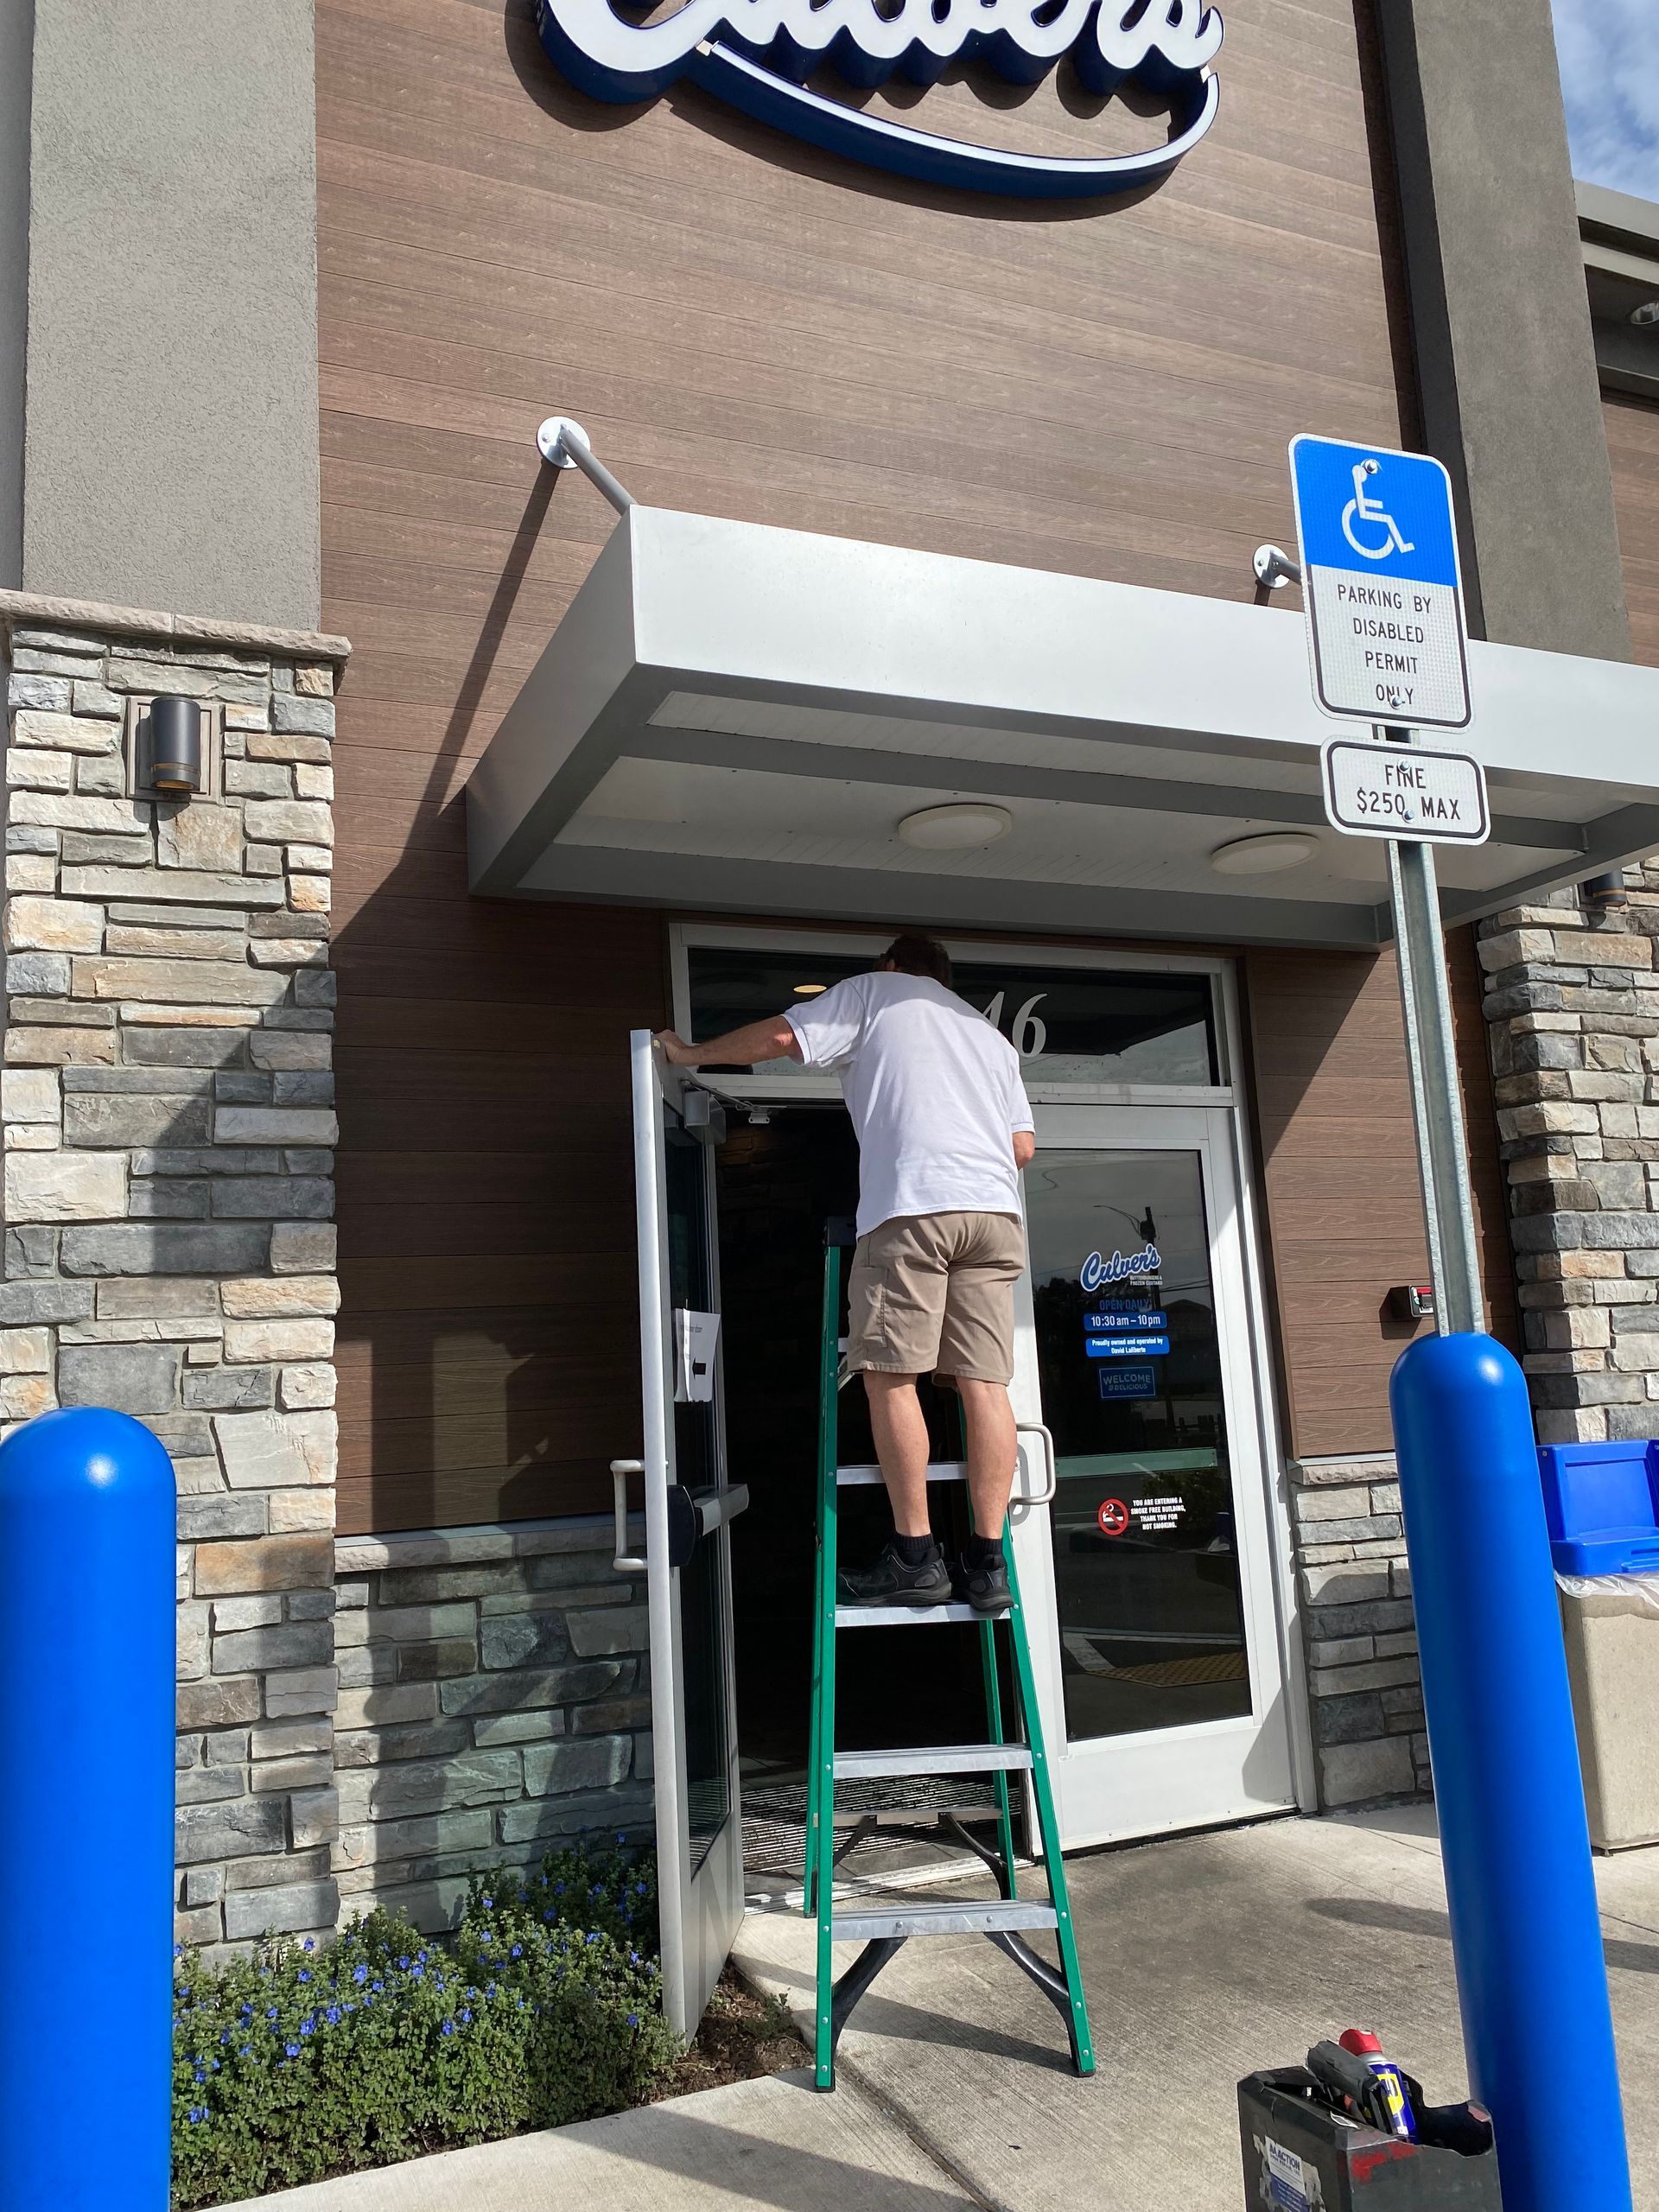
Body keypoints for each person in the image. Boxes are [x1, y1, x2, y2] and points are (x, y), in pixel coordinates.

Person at [656, 932, 1034, 1615]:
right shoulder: (987, 1035)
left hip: (915, 1205)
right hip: (995, 1213)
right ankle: (988, 1561)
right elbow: (1021, 1147)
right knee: (986, 1384)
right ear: (944, 978)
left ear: (891, 966)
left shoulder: (874, 993)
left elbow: (779, 1040)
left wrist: (691, 1054)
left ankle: (916, 1557)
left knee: (892, 1375)